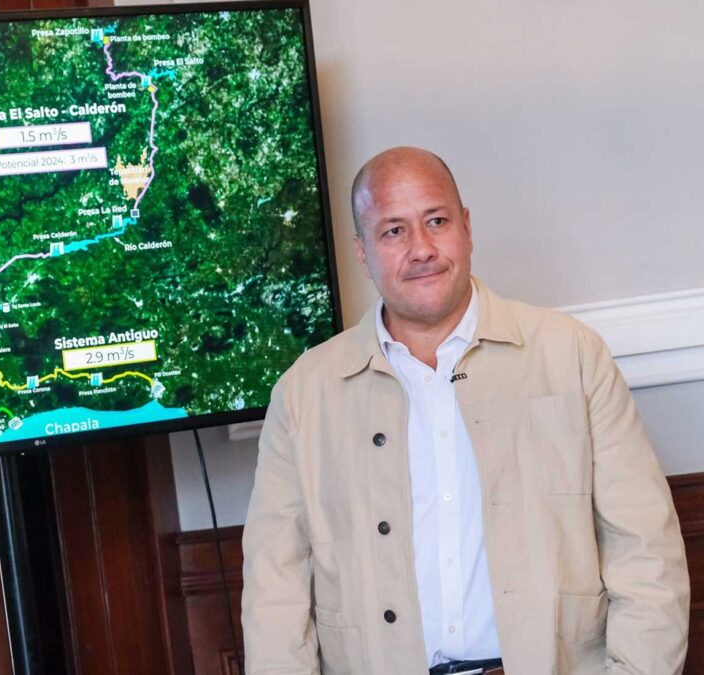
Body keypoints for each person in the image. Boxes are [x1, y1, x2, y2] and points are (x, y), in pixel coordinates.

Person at [241, 147, 690, 674]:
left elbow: (646, 554)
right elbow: (277, 595)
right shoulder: (303, 395)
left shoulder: (570, 354)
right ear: (363, 251)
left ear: (466, 227)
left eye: (436, 221)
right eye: (393, 231)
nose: (421, 249)